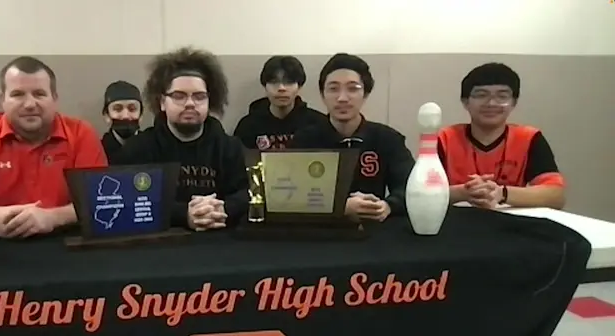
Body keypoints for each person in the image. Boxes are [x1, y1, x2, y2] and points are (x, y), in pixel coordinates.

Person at [0, 56, 108, 239]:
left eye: (39, 94)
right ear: (3, 100)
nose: (30, 104)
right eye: (17, 94)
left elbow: (98, 202)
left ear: (54, 99)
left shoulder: (81, 133)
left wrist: (51, 218)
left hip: (64, 242)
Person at [118, 47, 249, 231]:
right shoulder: (138, 148)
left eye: (199, 96)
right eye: (179, 96)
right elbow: (131, 200)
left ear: (210, 101)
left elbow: (246, 193)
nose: (190, 103)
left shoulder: (230, 147)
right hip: (162, 246)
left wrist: (222, 209)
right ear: (162, 102)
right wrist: (183, 215)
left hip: (221, 243)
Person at [288, 53, 414, 222]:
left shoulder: (388, 139)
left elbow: (410, 187)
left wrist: (388, 205)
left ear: (366, 93)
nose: (342, 98)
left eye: (353, 88)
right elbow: (290, 195)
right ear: (322, 94)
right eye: (333, 89)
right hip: (320, 232)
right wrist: (340, 207)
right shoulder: (304, 140)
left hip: (374, 231)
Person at [438, 63, 565, 209]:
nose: (491, 103)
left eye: (502, 96)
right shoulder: (445, 139)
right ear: (466, 102)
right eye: (481, 95)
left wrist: (501, 193)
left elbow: (556, 195)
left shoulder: (529, 138)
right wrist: (465, 192)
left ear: (513, 103)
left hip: (512, 222)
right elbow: (424, 194)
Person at [233, 55, 327, 150]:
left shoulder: (318, 124)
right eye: (274, 82)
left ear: (299, 86)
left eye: (289, 82)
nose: (281, 88)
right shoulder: (248, 126)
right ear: (265, 86)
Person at [100, 80, 142, 163]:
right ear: (106, 115)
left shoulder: (154, 148)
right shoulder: (98, 150)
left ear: (141, 115)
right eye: (118, 109)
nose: (125, 116)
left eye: (132, 109)